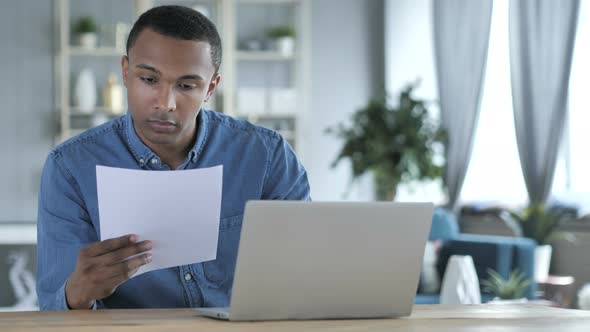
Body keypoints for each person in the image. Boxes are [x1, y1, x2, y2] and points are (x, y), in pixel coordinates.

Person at [36, 5, 311, 310]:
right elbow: (53, 307)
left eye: (186, 85)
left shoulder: (267, 156)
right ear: (126, 72)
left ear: (211, 88)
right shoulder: (70, 167)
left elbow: (306, 274)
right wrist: (78, 292)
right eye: (149, 80)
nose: (165, 103)